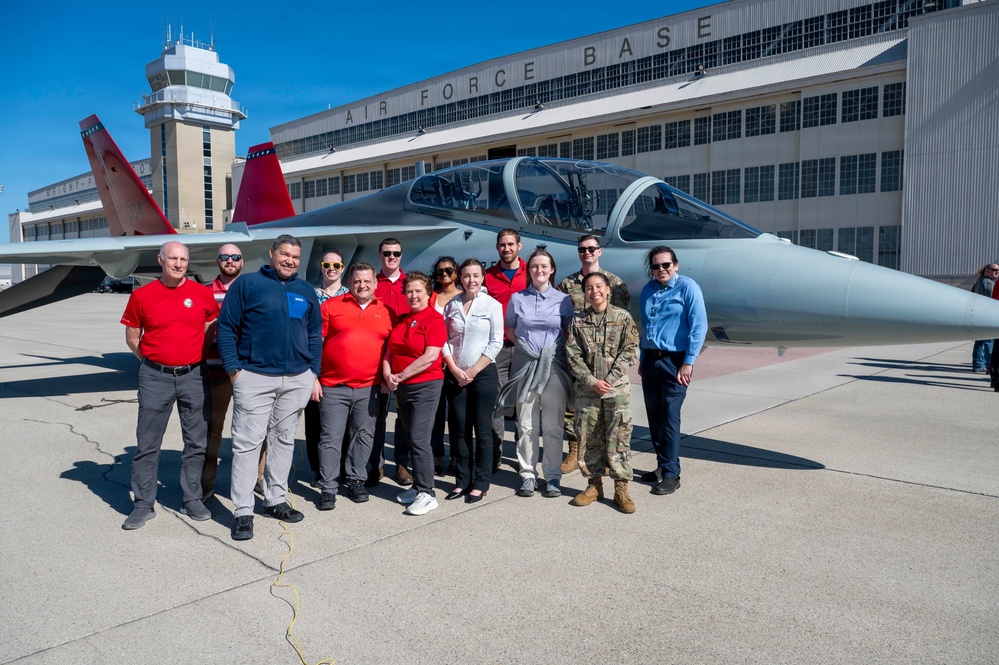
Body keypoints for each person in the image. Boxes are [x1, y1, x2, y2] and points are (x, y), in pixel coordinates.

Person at [217, 234, 322, 541]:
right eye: (285, 254)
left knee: (283, 440)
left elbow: (315, 334)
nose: (290, 260)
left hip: (296, 379)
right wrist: (236, 372)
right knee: (248, 444)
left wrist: (312, 370)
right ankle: (243, 511)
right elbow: (226, 328)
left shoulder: (305, 290)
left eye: (295, 257)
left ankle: (275, 499)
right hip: (254, 377)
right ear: (272, 253)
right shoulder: (247, 285)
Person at [119, 241, 219, 530]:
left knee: (196, 441)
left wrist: (190, 355)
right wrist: (155, 362)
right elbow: (132, 337)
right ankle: (143, 504)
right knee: (148, 443)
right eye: (173, 258)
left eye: (183, 259)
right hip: (155, 377)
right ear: (160, 260)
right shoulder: (142, 296)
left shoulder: (201, 294)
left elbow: (210, 326)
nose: (178, 264)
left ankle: (192, 498)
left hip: (194, 376)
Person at [316, 262, 395, 510]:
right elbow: (316, 343)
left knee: (363, 436)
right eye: (357, 281)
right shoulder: (330, 306)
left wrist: (386, 378)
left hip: (370, 387)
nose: (362, 285)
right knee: (331, 437)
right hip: (333, 386)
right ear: (350, 283)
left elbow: (392, 350)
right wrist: (313, 378)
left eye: (367, 281)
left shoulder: (387, 311)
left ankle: (355, 479)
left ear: (375, 283)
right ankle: (328, 486)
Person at [498, 248, 574, 498]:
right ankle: (528, 474)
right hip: (526, 367)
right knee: (527, 424)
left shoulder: (563, 300)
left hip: (554, 368)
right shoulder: (518, 299)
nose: (539, 270)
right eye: (534, 266)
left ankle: (552, 477)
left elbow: (567, 332)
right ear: (528, 270)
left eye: (544, 266)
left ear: (552, 270)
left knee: (553, 426)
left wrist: (547, 353)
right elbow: (511, 330)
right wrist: (528, 351)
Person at [566, 272, 640, 513]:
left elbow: (629, 350)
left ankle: (621, 488)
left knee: (619, 438)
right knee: (589, 439)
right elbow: (572, 355)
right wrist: (591, 381)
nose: (594, 291)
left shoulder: (622, 318)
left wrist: (607, 380)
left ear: (607, 289)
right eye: (589, 287)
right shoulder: (578, 321)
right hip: (588, 392)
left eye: (599, 286)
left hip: (616, 391)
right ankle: (594, 485)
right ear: (585, 293)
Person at [557, 234, 631, 473]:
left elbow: (621, 321)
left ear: (600, 251)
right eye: (582, 249)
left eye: (591, 248)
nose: (586, 252)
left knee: (609, 412)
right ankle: (575, 449)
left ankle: (610, 458)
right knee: (575, 407)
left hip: (608, 358)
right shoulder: (567, 285)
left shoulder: (615, 283)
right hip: (578, 356)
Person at [639, 246, 707, 496]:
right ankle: (661, 466)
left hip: (676, 363)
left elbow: (698, 326)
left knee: (670, 418)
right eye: (656, 266)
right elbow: (646, 326)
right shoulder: (648, 290)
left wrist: (689, 362)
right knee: (654, 419)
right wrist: (642, 356)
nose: (661, 270)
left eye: (666, 265)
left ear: (675, 265)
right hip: (650, 361)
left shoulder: (688, 288)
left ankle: (671, 474)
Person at [383, 272, 447, 515]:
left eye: (418, 291)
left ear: (429, 294)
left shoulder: (433, 319)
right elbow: (390, 351)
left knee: (420, 439)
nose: (413, 295)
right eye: (409, 291)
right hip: (403, 388)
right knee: (410, 437)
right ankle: (419, 486)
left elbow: (430, 356)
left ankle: (428, 493)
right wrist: (389, 374)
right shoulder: (402, 319)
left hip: (425, 386)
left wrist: (399, 376)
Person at [441, 258, 504, 503]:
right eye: (466, 276)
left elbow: (496, 341)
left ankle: (481, 481)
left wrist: (474, 370)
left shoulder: (492, 305)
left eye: (476, 275)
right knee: (459, 429)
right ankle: (462, 480)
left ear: (482, 277)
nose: (471, 280)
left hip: (482, 374)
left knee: (482, 429)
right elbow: (444, 339)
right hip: (456, 374)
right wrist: (455, 369)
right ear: (459, 278)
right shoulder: (451, 305)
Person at [202, 244, 258, 502]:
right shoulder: (203, 292)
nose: (230, 260)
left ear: (242, 261)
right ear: (218, 261)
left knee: (256, 429)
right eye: (225, 257)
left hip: (249, 370)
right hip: (216, 371)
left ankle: (257, 478)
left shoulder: (252, 290)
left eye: (235, 257)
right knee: (213, 430)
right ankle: (206, 483)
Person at [303, 250, 350, 486]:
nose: (331, 268)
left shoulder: (350, 297)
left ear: (343, 268)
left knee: (341, 423)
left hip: (341, 368)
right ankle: (318, 469)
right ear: (321, 267)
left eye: (336, 264)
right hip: (316, 366)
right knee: (315, 422)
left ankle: (340, 467)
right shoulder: (311, 295)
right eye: (327, 264)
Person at [483, 229, 529, 472]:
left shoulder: (531, 273)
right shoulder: (487, 276)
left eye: (511, 244)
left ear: (519, 246)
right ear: (497, 248)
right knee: (496, 403)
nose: (506, 248)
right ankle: (495, 452)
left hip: (524, 347)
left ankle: (524, 457)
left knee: (524, 402)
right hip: (497, 347)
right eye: (502, 245)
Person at [369, 237, 412, 487]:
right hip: (377, 359)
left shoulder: (411, 285)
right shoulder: (372, 284)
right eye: (387, 253)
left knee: (404, 417)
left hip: (405, 360)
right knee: (378, 415)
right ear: (380, 255)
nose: (391, 257)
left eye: (396, 253)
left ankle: (403, 465)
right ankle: (376, 463)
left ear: (401, 256)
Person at [430, 256, 462, 475]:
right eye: (440, 272)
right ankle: (437, 455)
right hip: (434, 363)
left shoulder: (464, 296)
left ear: (456, 273)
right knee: (436, 414)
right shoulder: (432, 297)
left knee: (458, 415)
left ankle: (456, 457)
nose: (444, 275)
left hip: (458, 362)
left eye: (448, 271)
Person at [971, 264, 998, 373]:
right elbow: (993, 299)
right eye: (994, 270)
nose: (997, 272)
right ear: (987, 270)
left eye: (998, 270)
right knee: (989, 342)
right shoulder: (988, 283)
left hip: (979, 316)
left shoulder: (979, 282)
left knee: (980, 341)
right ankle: (989, 366)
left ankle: (978, 365)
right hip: (987, 316)